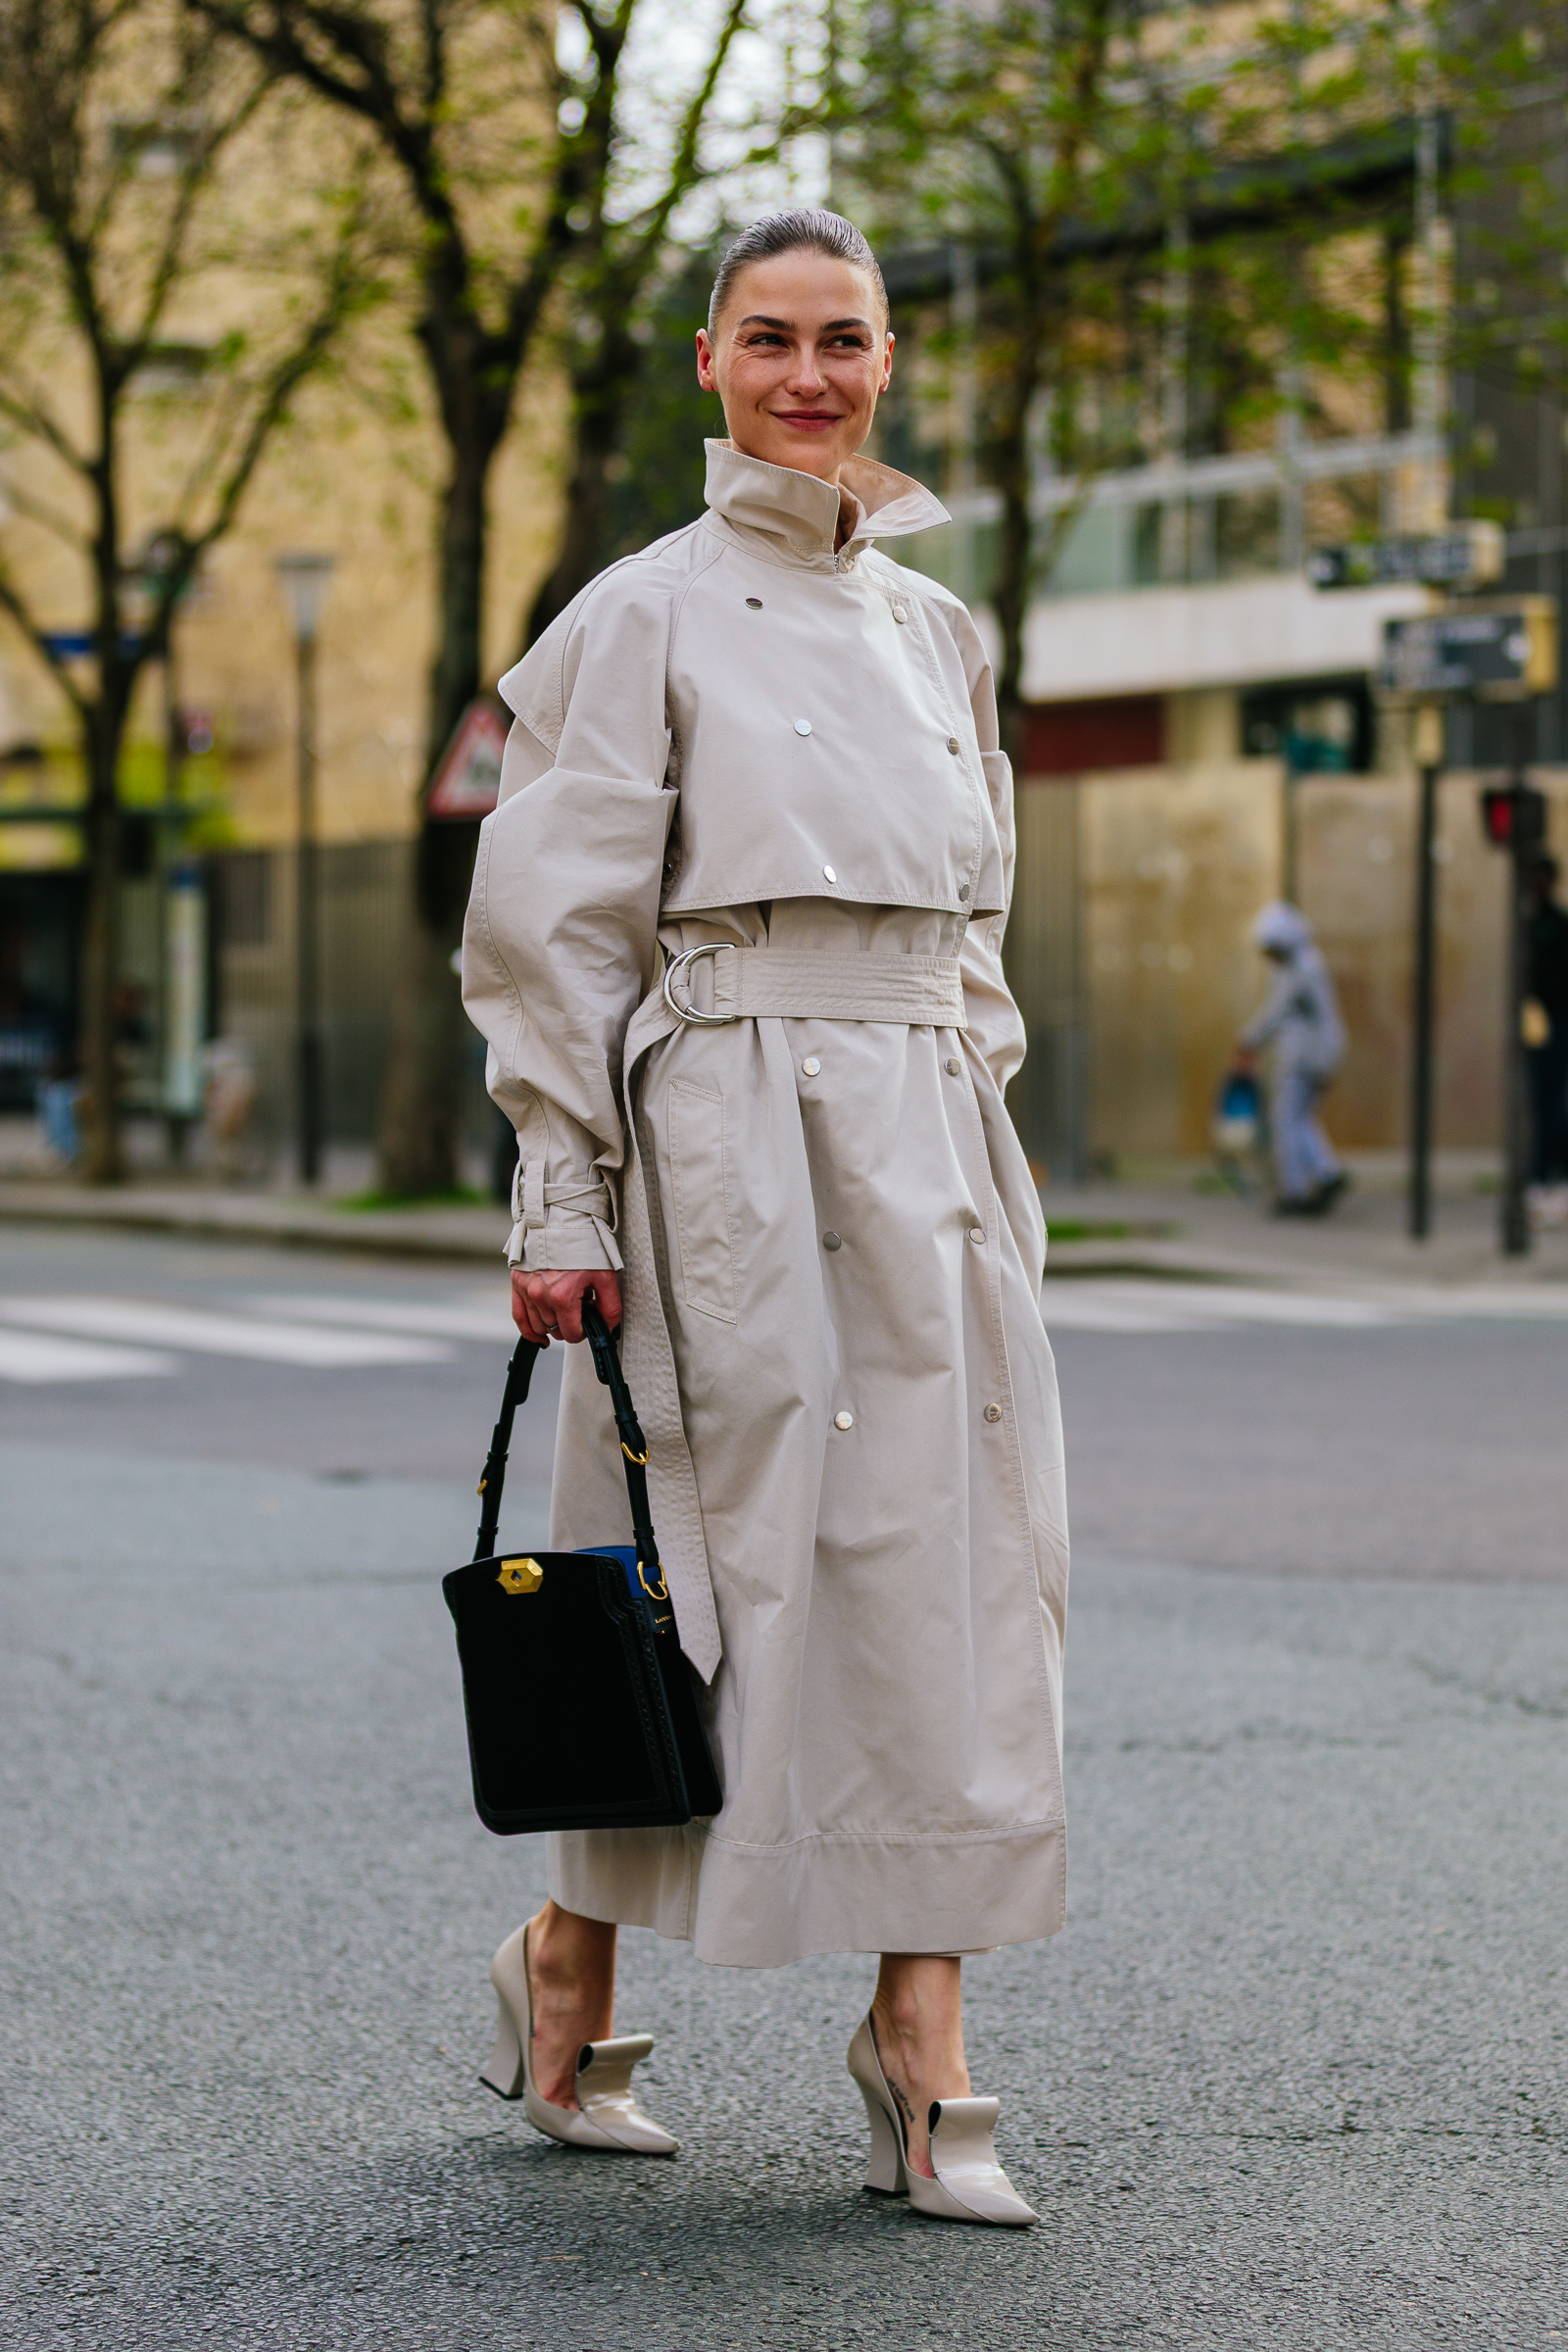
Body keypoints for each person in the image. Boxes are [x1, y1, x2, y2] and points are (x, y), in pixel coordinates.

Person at [460, 209, 1067, 2228]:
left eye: (846, 340)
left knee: (952, 1582)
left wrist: (976, 1096)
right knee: (686, 1575)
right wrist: (563, 1187)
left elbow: (977, 911)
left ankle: (921, 2035)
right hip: (718, 1120)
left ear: (887, 361)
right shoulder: (639, 611)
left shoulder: (938, 628)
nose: (810, 375)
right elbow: (555, 922)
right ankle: (571, 1960)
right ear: (706, 360)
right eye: (770, 338)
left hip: (927, 1134)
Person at [1233, 900, 1348, 1215]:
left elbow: (1276, 1011)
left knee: (1286, 1120)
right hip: (1316, 1054)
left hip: (1303, 1058)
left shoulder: (1300, 969)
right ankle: (1326, 1172)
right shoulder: (1309, 963)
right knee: (1301, 1118)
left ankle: (1295, 1190)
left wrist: (1248, 1040)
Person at [1524, 853, 1568, 1229]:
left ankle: (1550, 1176)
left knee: (1554, 1106)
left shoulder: (1555, 923)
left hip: (1557, 1020)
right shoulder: (1527, 923)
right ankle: (1539, 1178)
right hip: (1538, 1023)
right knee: (1541, 1105)